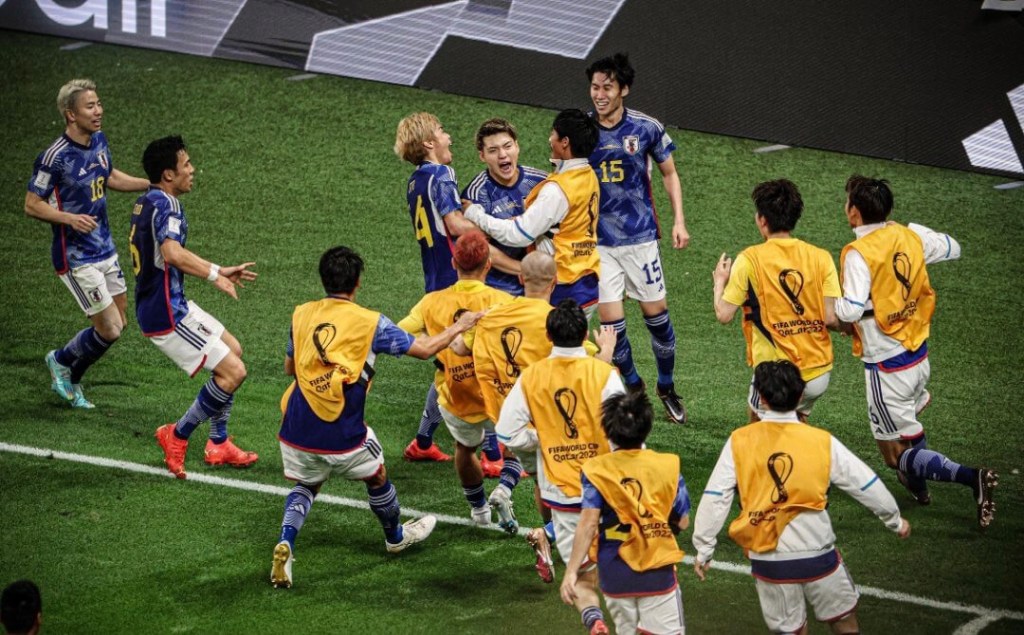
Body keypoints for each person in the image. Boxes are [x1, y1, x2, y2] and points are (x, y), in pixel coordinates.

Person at [271, 246, 481, 589]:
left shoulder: (301, 313)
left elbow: (289, 368)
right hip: (344, 436)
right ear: (357, 284)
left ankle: (286, 542)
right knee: (378, 475)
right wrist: (460, 325)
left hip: (295, 430)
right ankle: (396, 536)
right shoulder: (372, 323)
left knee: (308, 483)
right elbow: (426, 349)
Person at [691, 360, 911, 635]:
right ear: (799, 397)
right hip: (817, 551)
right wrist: (894, 519)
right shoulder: (821, 440)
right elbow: (864, 483)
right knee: (844, 622)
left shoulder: (739, 440)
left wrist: (704, 547)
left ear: (760, 397)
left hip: (768, 559)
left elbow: (716, 495)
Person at [834, 175, 997, 527]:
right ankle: (920, 491)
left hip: (885, 365)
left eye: (847, 203)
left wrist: (828, 303)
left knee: (895, 457)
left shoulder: (859, 254)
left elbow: (847, 311)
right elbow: (953, 247)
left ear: (855, 214)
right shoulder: (910, 235)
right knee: (905, 434)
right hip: (918, 355)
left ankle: (972, 477)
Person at [458, 252, 616, 540]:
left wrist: (465, 325)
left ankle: (547, 529)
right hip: (553, 421)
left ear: (520, 278)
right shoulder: (556, 323)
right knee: (570, 481)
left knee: (543, 481)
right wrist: (606, 350)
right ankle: (552, 535)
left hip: (510, 419)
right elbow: (590, 371)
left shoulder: (491, 316)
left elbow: (458, 348)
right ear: (555, 282)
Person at [130, 136, 259, 479]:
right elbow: (171, 253)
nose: (193, 169)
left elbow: (165, 257)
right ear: (168, 174)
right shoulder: (167, 205)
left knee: (233, 350)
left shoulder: (148, 201)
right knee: (234, 372)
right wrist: (215, 274)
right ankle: (178, 434)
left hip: (171, 303)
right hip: (166, 313)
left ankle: (218, 443)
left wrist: (217, 270)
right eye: (186, 164)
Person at [497, 299, 625, 635]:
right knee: (622, 561)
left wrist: (543, 440)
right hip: (606, 488)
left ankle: (594, 620)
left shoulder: (532, 377)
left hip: (563, 496)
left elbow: (506, 432)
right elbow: (621, 435)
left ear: (549, 336)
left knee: (581, 574)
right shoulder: (605, 375)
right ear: (585, 334)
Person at [26, 78, 149, 408]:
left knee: (120, 324)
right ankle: (67, 372)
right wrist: (70, 219)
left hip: (105, 249)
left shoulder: (98, 141)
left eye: (99, 104)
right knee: (108, 330)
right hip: (76, 257)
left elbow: (108, 176)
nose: (99, 111)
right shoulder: (53, 158)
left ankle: (62, 360)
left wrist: (150, 184)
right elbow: (31, 204)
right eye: (90, 106)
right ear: (70, 114)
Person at [586, 52, 689, 425]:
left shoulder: (647, 128)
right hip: (597, 243)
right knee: (612, 326)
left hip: (641, 238)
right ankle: (634, 384)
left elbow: (669, 174)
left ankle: (666, 386)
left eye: (607, 87)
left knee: (656, 317)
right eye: (595, 87)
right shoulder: (580, 129)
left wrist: (679, 220)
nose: (599, 94)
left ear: (623, 89)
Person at [399, 231, 521, 530]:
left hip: (456, 395)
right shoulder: (503, 302)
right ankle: (504, 489)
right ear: (488, 265)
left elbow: (399, 334)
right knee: (518, 445)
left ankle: (479, 511)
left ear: (454, 263)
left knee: (465, 450)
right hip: (499, 394)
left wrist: (435, 341)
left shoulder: (431, 302)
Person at [560, 391, 690, 635]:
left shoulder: (595, 469)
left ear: (607, 431)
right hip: (656, 569)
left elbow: (588, 524)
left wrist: (571, 572)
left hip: (614, 572)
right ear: (647, 428)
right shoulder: (668, 465)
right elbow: (682, 521)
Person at [461, 117, 549, 477]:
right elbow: (482, 248)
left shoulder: (543, 182)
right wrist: (526, 270)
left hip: (536, 285)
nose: (503, 155)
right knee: (483, 364)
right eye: (493, 150)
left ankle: (529, 428)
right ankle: (492, 445)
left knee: (529, 357)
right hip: (497, 289)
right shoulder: (476, 194)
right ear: (483, 156)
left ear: (518, 146)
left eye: (507, 146)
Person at [712, 179, 840, 421]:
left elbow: (724, 314)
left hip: (776, 375)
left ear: (762, 220)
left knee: (758, 429)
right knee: (796, 423)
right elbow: (832, 318)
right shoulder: (821, 257)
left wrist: (720, 281)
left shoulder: (749, 259)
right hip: (818, 374)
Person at [394, 112, 479, 463]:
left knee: (448, 364)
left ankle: (423, 443)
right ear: (429, 143)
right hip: (452, 283)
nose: (449, 138)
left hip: (434, 281)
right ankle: (490, 452)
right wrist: (497, 226)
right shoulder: (442, 173)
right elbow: (454, 225)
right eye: (443, 132)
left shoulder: (415, 181)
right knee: (470, 363)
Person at [465, 109, 602, 322]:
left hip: (562, 283)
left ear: (564, 142)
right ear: (483, 155)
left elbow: (518, 235)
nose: (549, 139)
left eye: (553, 134)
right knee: (573, 348)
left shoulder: (555, 189)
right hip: (587, 280)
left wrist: (476, 214)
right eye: (493, 150)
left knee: (549, 350)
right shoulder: (588, 175)